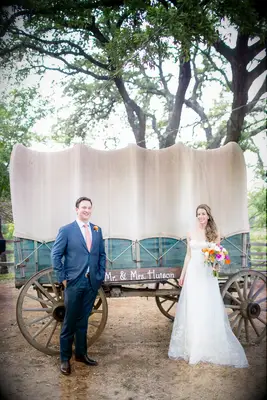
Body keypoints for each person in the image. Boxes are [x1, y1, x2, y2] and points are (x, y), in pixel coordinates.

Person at [168, 204, 248, 368]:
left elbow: (218, 257)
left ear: (208, 216)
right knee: (193, 308)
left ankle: (206, 346)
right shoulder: (190, 233)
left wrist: (216, 266)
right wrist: (182, 276)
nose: (200, 216)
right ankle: (192, 346)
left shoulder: (214, 234)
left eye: (203, 213)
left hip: (206, 275)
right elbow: (188, 256)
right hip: (193, 274)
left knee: (206, 307)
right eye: (198, 214)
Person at [52, 196, 106, 375]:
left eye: (89, 208)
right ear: (76, 209)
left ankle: (81, 354)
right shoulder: (66, 230)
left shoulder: (97, 230)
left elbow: (101, 255)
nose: (87, 210)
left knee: (83, 321)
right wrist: (64, 279)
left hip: (92, 283)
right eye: (83, 207)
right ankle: (65, 359)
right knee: (69, 322)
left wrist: (99, 275)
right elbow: (56, 255)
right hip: (74, 283)